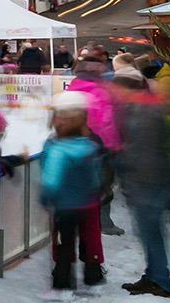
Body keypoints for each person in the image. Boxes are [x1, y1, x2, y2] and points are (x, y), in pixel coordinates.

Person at [112, 65, 170, 297]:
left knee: (151, 232)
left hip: (148, 182)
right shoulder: (142, 107)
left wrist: (119, 162)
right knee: (149, 232)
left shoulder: (144, 112)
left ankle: (161, 281)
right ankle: (154, 275)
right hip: (149, 180)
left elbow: (141, 151)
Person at [40, 91, 107, 293]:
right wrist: (97, 191)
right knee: (90, 237)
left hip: (65, 205)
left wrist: (46, 197)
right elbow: (97, 175)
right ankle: (92, 274)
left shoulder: (56, 147)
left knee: (64, 243)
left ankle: (62, 281)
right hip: (88, 202)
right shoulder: (90, 143)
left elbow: (52, 179)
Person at [68, 48, 125, 235]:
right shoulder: (101, 92)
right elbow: (106, 122)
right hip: (100, 146)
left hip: (75, 143)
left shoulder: (73, 88)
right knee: (103, 185)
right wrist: (114, 145)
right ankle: (103, 222)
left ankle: (78, 223)